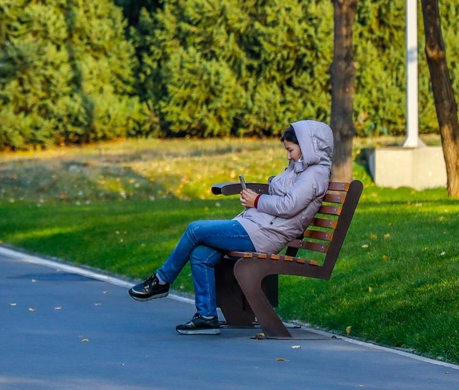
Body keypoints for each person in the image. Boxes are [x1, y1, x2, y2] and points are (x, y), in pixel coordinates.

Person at [128, 119, 333, 335]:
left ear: (308, 146)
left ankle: (161, 280)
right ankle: (206, 318)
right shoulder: (298, 169)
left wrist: (256, 201)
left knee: (195, 229)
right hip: (257, 227)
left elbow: (289, 206)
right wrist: (257, 200)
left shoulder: (315, 173)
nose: (288, 155)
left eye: (290, 150)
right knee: (200, 252)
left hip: (265, 235)